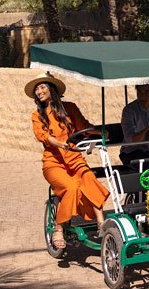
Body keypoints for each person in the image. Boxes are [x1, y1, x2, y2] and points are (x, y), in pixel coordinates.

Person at [29, 75, 110, 250]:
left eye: (42, 87)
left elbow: (83, 126)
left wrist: (102, 133)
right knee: (70, 187)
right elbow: (42, 135)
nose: (39, 91)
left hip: (74, 158)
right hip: (53, 162)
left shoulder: (70, 108)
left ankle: (101, 222)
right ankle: (58, 229)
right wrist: (58, 143)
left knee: (89, 178)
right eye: (37, 89)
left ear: (52, 89)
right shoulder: (37, 115)